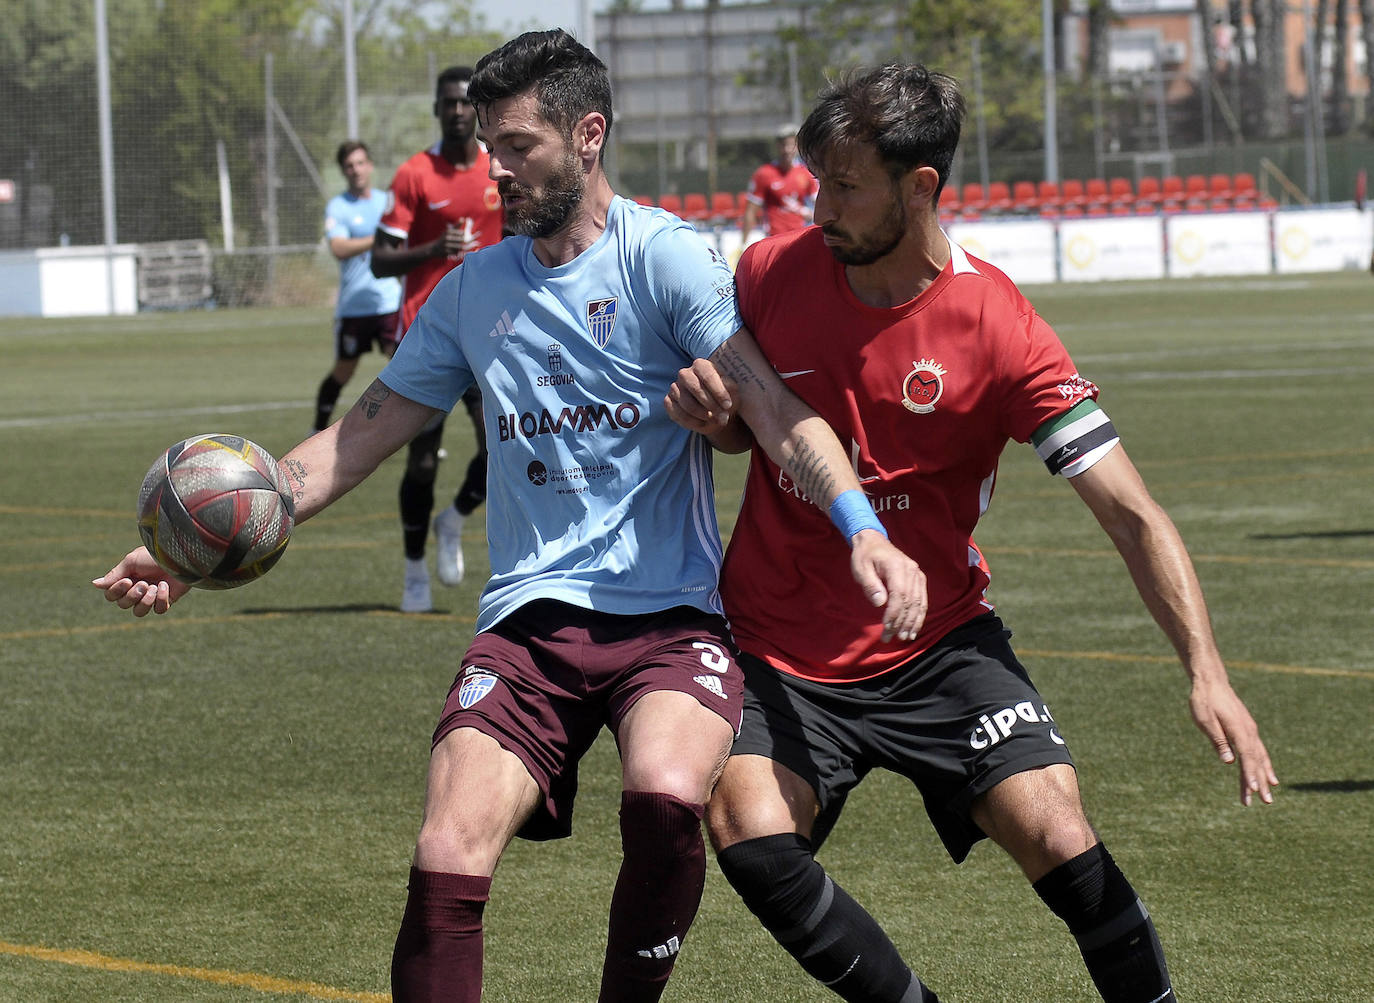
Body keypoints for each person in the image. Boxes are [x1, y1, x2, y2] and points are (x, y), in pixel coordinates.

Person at [92, 31, 926, 1003]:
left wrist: (862, 526)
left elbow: (777, 416)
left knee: (664, 795)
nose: (494, 167)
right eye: (487, 143)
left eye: (518, 145)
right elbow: (352, 443)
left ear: (587, 135)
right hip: (527, 626)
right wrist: (196, 546)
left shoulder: (665, 259)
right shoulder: (470, 293)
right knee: (448, 841)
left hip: (670, 621)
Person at [666, 64, 1278, 1003]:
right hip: (778, 647)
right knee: (748, 830)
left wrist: (1207, 669)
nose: (818, 206)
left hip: (940, 640)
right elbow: (756, 426)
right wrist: (717, 418)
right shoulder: (768, 272)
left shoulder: (998, 326)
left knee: (1059, 832)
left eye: (845, 185)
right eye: (815, 180)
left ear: (920, 189)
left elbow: (1131, 512)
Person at [371, 65, 504, 611]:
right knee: (421, 460)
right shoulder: (413, 175)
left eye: (463, 103)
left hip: (491, 329)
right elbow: (379, 260)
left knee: (503, 445)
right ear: (436, 109)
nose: (455, 111)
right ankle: (413, 571)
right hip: (425, 332)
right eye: (446, 103)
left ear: (476, 109)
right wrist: (433, 249)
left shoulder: (499, 170)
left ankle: (455, 519)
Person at [313, 141, 403, 435]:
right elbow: (339, 248)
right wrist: (379, 238)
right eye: (350, 165)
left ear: (370, 165)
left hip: (389, 303)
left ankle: (418, 434)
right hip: (354, 306)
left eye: (360, 163)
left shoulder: (386, 201)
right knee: (343, 371)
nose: (356, 170)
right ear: (343, 171)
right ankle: (317, 429)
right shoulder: (338, 207)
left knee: (406, 367)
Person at [739, 123, 817, 245]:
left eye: (791, 145)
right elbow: (751, 212)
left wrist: (808, 213)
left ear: (797, 147)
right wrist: (743, 244)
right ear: (777, 146)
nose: (787, 150)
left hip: (800, 239)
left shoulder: (806, 174)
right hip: (774, 239)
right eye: (783, 145)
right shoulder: (764, 174)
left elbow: (820, 204)